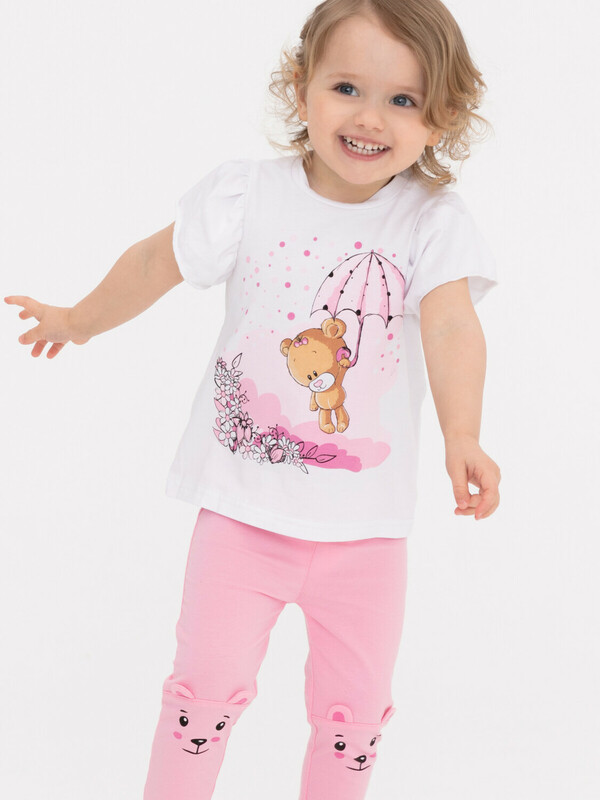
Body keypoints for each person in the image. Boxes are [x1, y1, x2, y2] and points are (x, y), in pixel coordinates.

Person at [4, 0, 501, 797]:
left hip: (367, 535)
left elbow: (450, 328)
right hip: (240, 519)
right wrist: (77, 320)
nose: (370, 117)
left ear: (440, 118)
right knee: (200, 698)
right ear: (301, 87)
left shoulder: (432, 222)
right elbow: (155, 263)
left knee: (354, 719)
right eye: (346, 87)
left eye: (403, 100)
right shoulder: (247, 195)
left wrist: (462, 433)